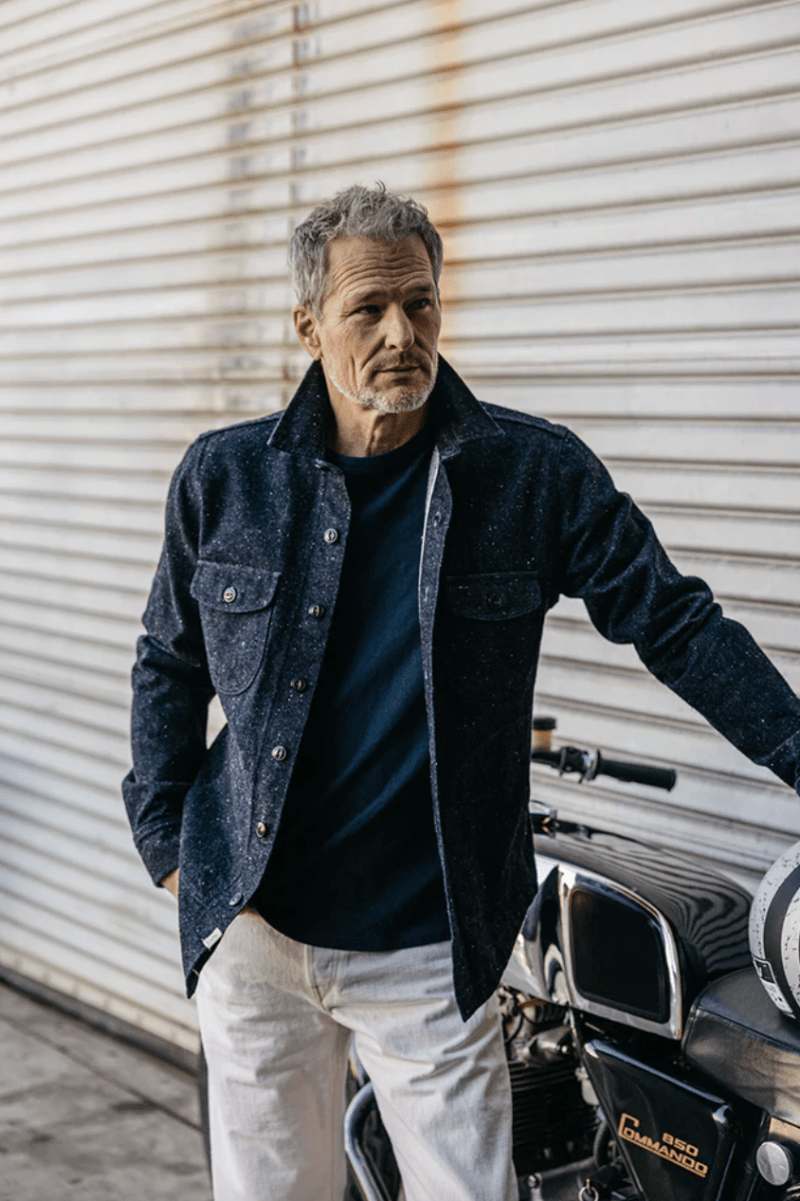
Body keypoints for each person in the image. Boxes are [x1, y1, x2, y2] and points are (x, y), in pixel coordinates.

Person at [123, 184, 800, 1201]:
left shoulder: (528, 474)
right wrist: (167, 841)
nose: (401, 334)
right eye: (367, 309)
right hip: (256, 932)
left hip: (427, 945)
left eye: (421, 303)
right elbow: (166, 661)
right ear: (307, 324)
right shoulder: (225, 480)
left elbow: (674, 621)